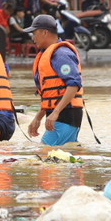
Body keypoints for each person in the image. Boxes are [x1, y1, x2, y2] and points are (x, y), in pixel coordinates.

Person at [27, 14, 86, 146]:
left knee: (44, 154)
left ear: (45, 32)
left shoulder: (61, 54)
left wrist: (56, 112)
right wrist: (38, 118)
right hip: (63, 115)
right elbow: (51, 95)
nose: (33, 38)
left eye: (34, 33)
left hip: (65, 115)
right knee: (64, 157)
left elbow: (74, 84)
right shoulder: (48, 54)